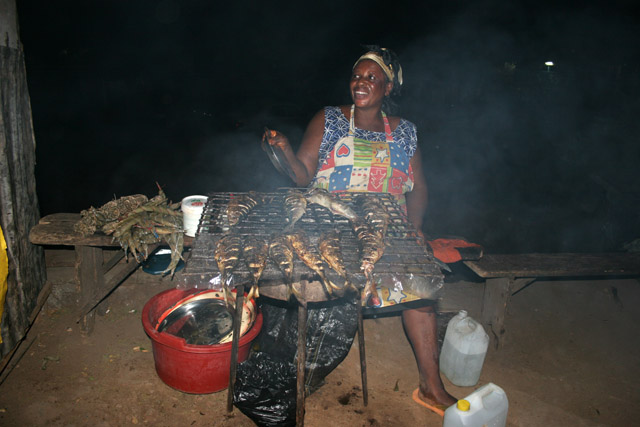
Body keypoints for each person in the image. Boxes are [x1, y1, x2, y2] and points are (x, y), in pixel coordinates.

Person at [264, 46, 457, 415]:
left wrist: (415, 228)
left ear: (387, 88)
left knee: (420, 288)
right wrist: (285, 151)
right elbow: (302, 177)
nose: (361, 82)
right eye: (357, 75)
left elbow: (419, 188)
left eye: (372, 78)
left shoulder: (404, 131)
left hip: (389, 224)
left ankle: (431, 387)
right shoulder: (330, 119)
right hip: (331, 219)